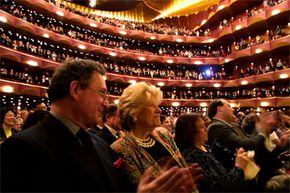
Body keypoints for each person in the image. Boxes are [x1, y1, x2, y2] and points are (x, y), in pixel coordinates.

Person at [1, 59, 203, 192]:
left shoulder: (99, 144)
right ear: (76, 90)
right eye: (102, 93)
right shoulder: (22, 148)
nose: (106, 102)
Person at [111, 82, 203, 192]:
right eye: (151, 105)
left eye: (157, 105)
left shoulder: (163, 134)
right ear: (134, 113)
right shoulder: (121, 148)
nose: (159, 110)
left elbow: (183, 171)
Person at [175, 113, 251, 192]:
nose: (206, 129)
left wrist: (236, 159)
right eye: (202, 126)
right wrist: (239, 166)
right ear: (190, 131)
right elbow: (222, 188)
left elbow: (222, 174)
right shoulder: (193, 155)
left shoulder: (205, 147)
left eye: (205, 125)